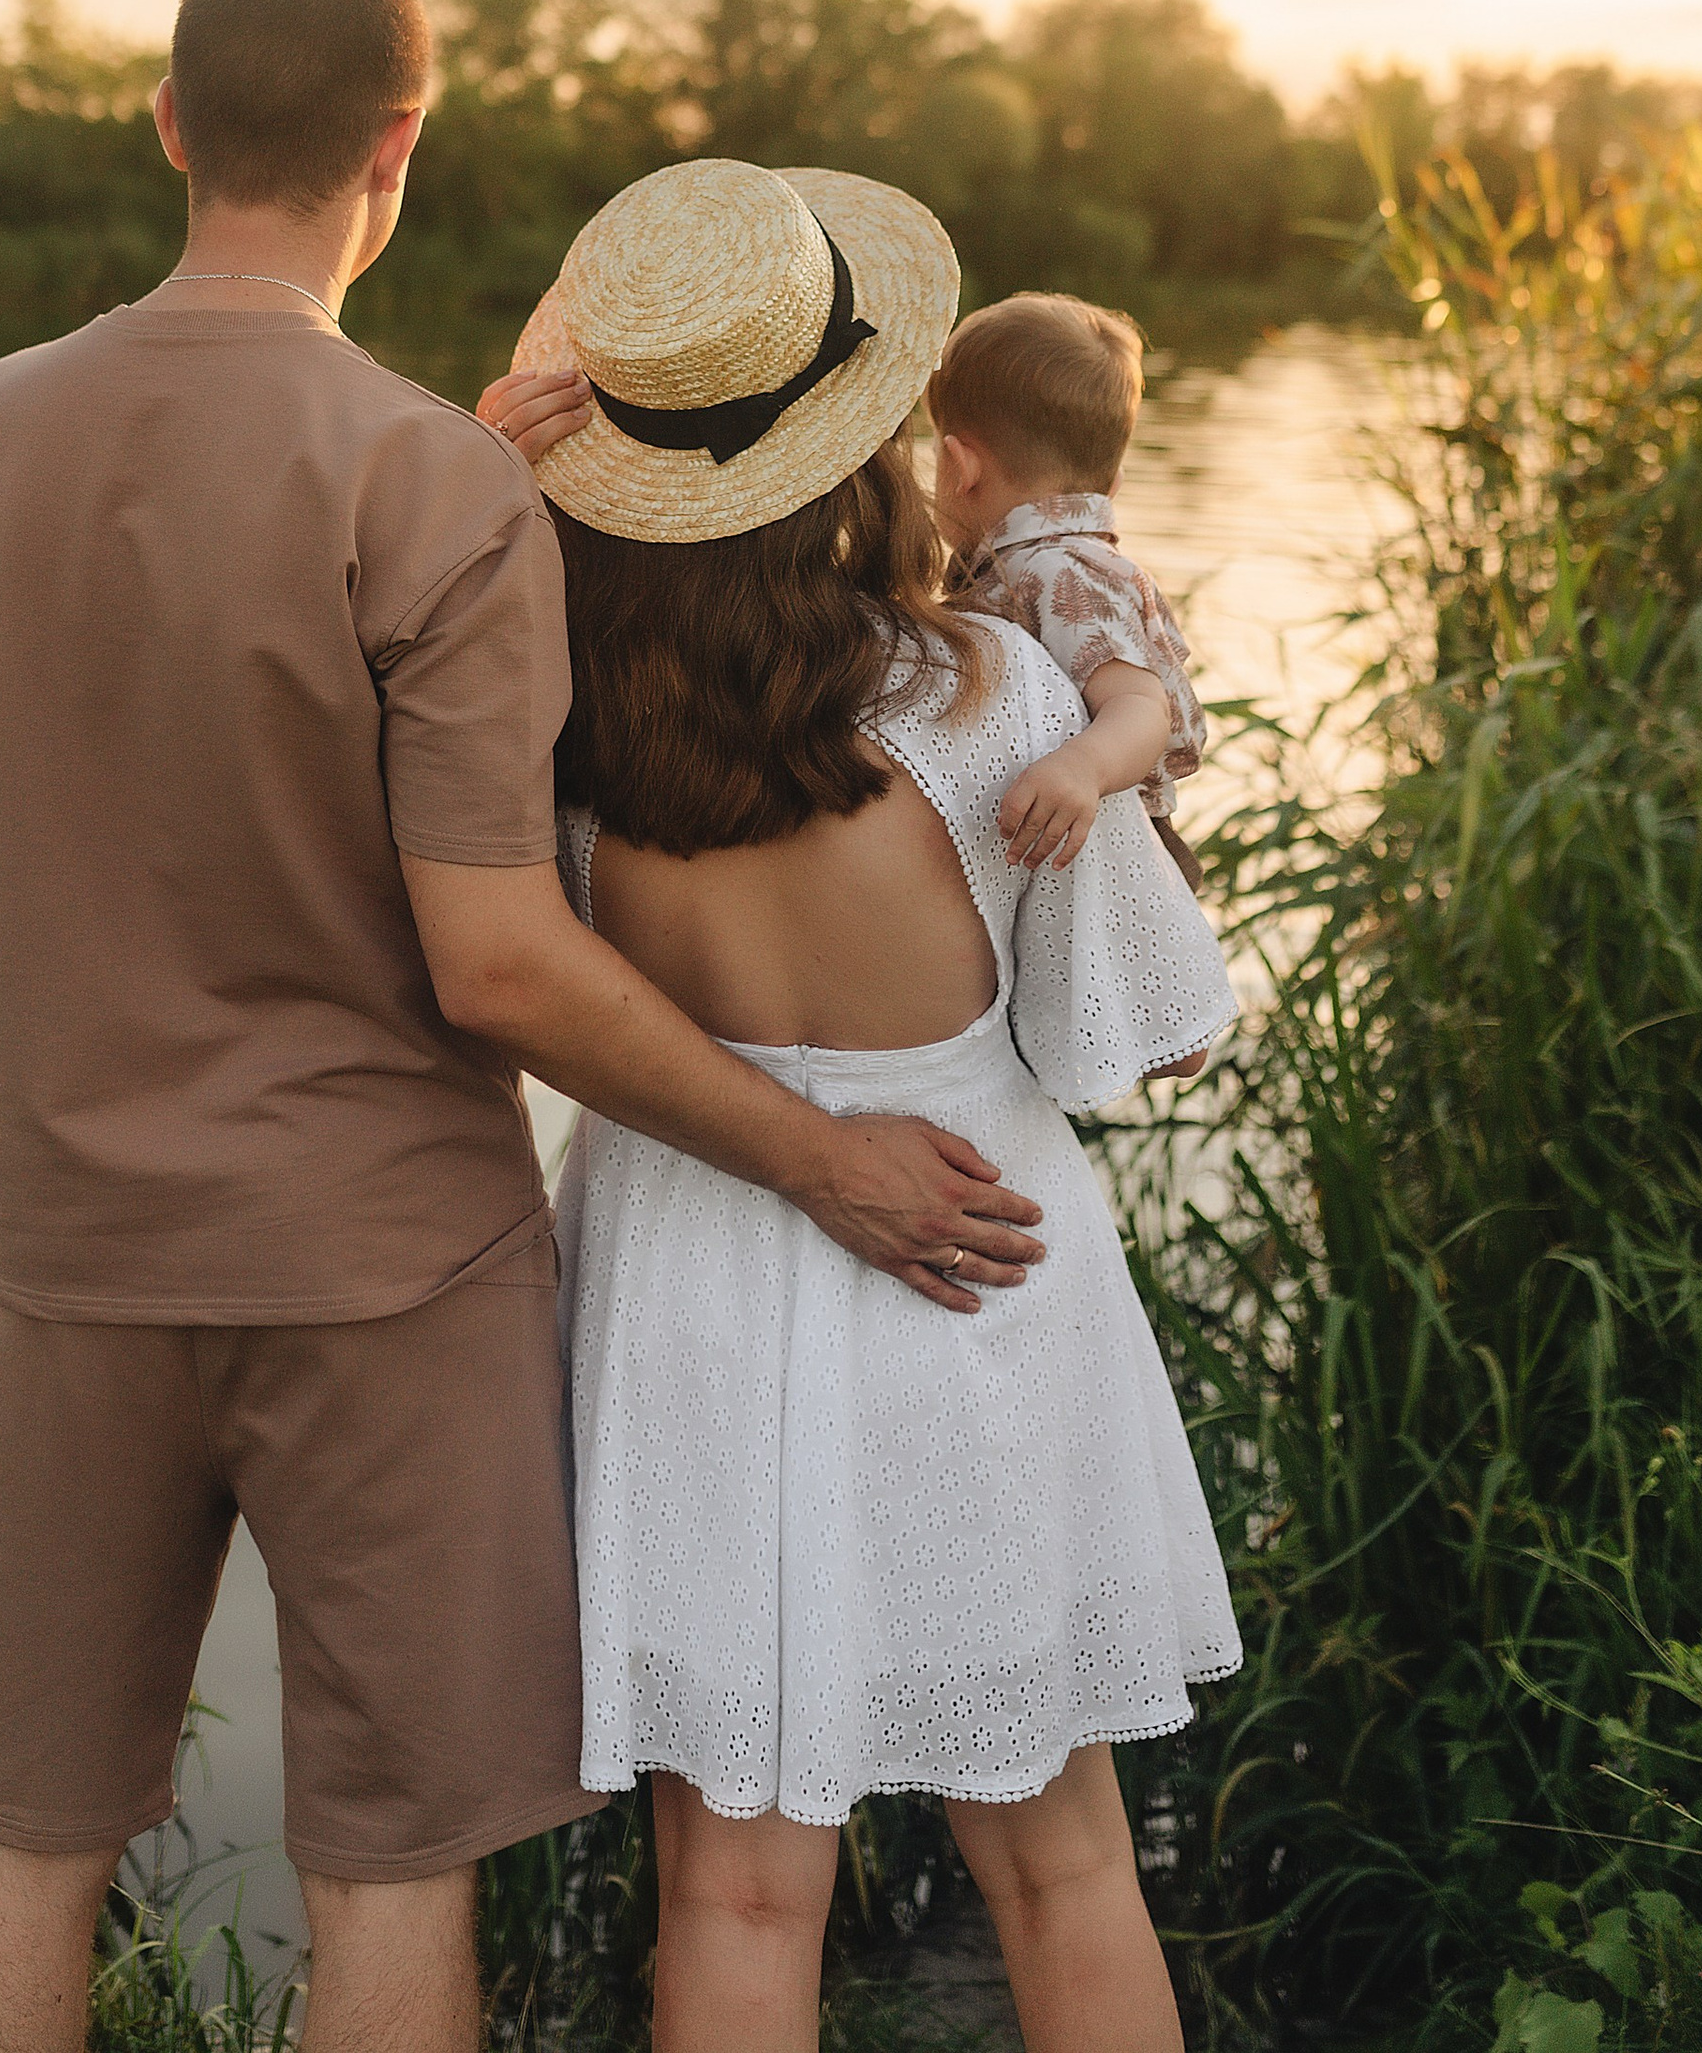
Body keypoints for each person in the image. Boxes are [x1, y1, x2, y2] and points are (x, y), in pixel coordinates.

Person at [0, 0, 1049, 2053]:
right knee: (388, 1867)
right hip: (384, 1268)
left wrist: (73, 1105)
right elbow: (496, 953)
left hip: (66, 1244)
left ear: (166, 122)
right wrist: (821, 1158)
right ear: (396, 147)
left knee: (23, 1838)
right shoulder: (427, 478)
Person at [478, 162, 1242, 2053]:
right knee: (1062, 1863)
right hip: (977, 1266)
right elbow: (1144, 1028)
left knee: (734, 1886)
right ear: (858, 447)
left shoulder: (558, 726)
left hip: (693, 1287)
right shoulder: (991, 688)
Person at [926, 293, 1211, 892]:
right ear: (1116, 479)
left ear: (959, 469)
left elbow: (1140, 707)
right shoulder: (1033, 562)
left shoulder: (1060, 571)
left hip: (1112, 850)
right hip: (1068, 841)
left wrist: (1082, 767)